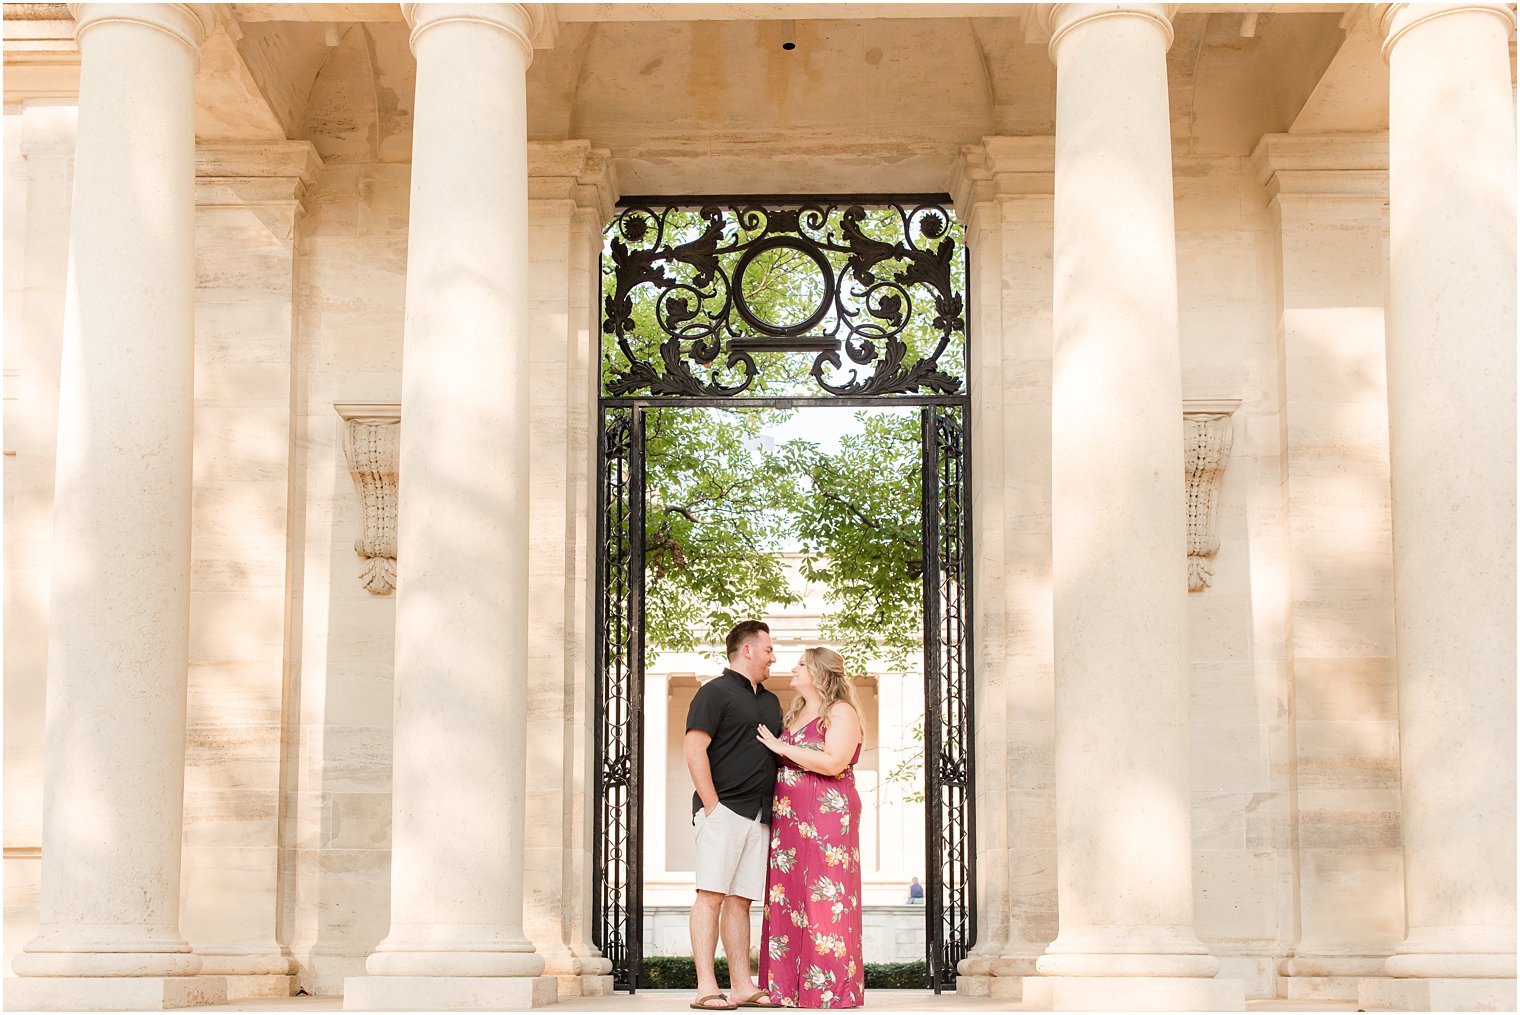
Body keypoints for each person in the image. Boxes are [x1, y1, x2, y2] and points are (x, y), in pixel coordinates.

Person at [755, 647, 865, 1009]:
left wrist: (777, 745)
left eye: (801, 664)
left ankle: (828, 989)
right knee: (787, 898)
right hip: (790, 818)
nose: (792, 667)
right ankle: (785, 988)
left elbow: (834, 762)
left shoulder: (840, 711)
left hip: (829, 813)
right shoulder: (796, 712)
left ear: (819, 672)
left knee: (825, 896)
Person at [684, 620, 784, 1011]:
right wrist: (712, 807)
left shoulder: (772, 702)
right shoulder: (713, 692)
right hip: (722, 810)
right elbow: (694, 750)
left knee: (741, 900)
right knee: (711, 895)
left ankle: (742, 986)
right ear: (747, 651)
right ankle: (706, 987)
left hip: (760, 815)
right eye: (768, 650)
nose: (772, 657)